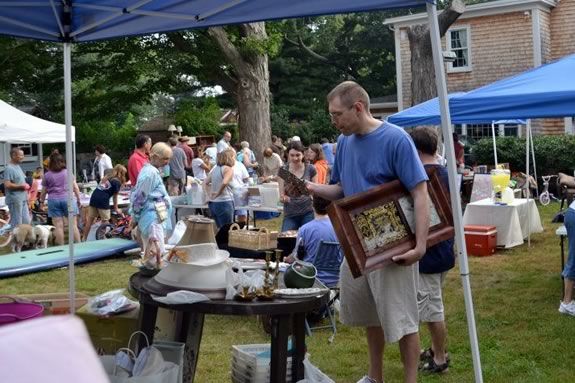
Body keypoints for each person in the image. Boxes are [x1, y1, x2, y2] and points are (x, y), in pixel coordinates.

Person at [307, 81, 429, 383]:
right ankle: (376, 377)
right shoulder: (344, 142)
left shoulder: (396, 139)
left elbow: (420, 193)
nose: (333, 121)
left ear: (358, 107)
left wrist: (420, 246)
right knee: (369, 315)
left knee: (403, 319)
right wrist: (309, 187)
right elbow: (342, 189)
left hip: (392, 244)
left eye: (337, 114)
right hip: (356, 243)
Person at [409, 126, 455, 374]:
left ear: (415, 150)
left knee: (431, 309)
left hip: (431, 253)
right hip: (442, 250)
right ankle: (437, 349)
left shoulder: (427, 177)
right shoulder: (443, 171)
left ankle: (439, 358)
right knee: (430, 305)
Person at [129, 142, 173, 267]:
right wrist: (135, 217)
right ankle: (154, 280)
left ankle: (153, 277)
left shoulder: (152, 171)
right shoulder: (150, 174)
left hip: (155, 217)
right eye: (165, 158)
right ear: (155, 157)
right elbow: (139, 197)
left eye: (168, 159)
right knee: (155, 254)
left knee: (155, 252)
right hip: (152, 219)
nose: (167, 162)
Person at [285, 196, 340, 286]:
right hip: (337, 280)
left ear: (312, 206)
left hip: (311, 279)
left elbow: (297, 257)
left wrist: (287, 259)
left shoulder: (305, 229)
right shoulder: (339, 227)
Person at [38, 152, 82, 245]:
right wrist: (78, 199)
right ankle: (79, 244)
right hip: (68, 199)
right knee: (73, 225)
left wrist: (41, 202)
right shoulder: (68, 172)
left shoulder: (47, 175)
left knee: (58, 226)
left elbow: (43, 191)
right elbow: (75, 187)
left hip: (53, 201)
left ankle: (61, 247)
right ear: (62, 161)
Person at [81, 165, 127, 242]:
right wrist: (116, 208)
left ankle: (84, 239)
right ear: (122, 173)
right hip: (103, 200)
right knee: (105, 221)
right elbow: (115, 197)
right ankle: (102, 239)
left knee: (90, 220)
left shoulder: (107, 177)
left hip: (94, 197)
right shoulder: (116, 182)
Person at [278, 141, 317, 232]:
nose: (295, 158)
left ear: (303, 154)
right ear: (288, 155)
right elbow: (281, 196)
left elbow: (316, 192)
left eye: (298, 155)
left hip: (308, 212)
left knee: (307, 242)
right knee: (286, 242)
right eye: (292, 155)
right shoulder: (284, 170)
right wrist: (284, 197)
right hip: (290, 214)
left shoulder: (310, 169)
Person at [204, 149, 236, 229]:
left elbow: (205, 183)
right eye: (234, 157)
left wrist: (208, 195)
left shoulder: (215, 169)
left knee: (219, 229)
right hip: (224, 202)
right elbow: (224, 182)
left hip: (213, 203)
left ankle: (219, 242)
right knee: (227, 230)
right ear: (230, 157)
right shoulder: (228, 169)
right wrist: (218, 193)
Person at [4, 147, 31, 226]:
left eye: (23, 155)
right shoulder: (9, 168)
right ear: (13, 155)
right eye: (21, 155)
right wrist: (21, 186)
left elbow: (22, 181)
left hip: (22, 199)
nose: (23, 157)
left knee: (26, 223)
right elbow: (7, 184)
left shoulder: (18, 166)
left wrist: (27, 191)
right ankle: (12, 237)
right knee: (17, 225)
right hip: (15, 200)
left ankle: (23, 238)